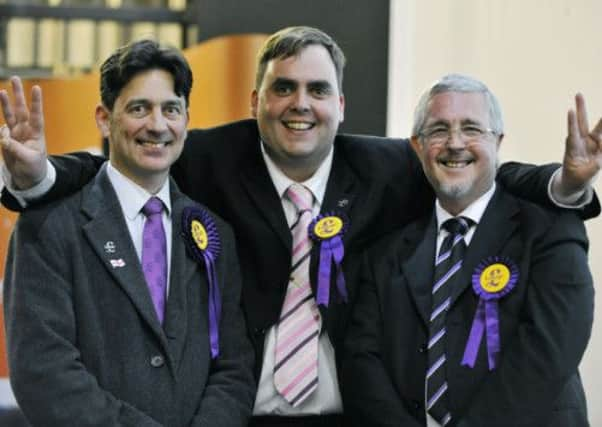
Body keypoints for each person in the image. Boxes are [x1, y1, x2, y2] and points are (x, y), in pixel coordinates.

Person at [1, 27, 600, 427]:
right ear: (255, 98)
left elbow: (474, 167)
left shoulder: (391, 164)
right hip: (249, 416)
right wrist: (40, 178)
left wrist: (564, 184)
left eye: (318, 90)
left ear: (341, 104)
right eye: (283, 88)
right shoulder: (206, 155)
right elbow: (120, 160)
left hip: (349, 416)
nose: (300, 104)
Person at [2, 39, 255, 426]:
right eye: (139, 108)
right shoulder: (49, 226)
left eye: (171, 109)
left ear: (186, 119)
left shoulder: (213, 233)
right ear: (104, 118)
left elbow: (234, 368)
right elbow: (44, 371)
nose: (157, 125)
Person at [342, 74, 594, 427]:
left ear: (498, 141)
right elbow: (361, 362)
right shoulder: (385, 253)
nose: (455, 143)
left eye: (472, 128)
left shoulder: (548, 228)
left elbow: (549, 351)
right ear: (417, 145)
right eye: (439, 129)